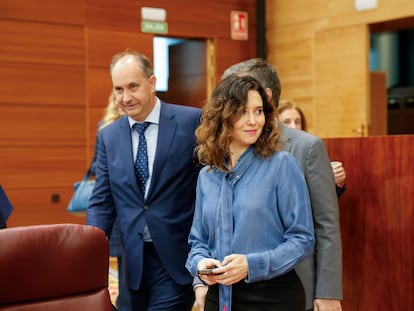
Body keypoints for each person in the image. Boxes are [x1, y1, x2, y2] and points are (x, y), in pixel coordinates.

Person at [193, 59, 341, 311]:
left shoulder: (283, 165)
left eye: (259, 111)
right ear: (222, 115)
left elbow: (303, 238)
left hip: (273, 298)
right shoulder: (207, 175)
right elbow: (197, 241)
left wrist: (251, 265)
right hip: (221, 298)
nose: (253, 120)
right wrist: (199, 266)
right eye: (242, 111)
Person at [86, 49, 202, 311]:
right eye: (118, 89)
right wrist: (88, 252)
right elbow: (102, 202)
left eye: (133, 87)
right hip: (131, 264)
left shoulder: (190, 121)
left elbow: (207, 188)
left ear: (151, 84)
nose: (125, 97)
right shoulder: (109, 136)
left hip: (176, 260)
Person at [90, 91, 131, 311]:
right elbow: (97, 165)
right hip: (115, 203)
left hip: (134, 205)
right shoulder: (106, 128)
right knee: (120, 253)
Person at [278, 99, 347, 197]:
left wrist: (336, 182)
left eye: (297, 122)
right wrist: (322, 178)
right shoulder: (270, 154)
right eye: (286, 122)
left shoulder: (312, 148)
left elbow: (327, 201)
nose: (293, 127)